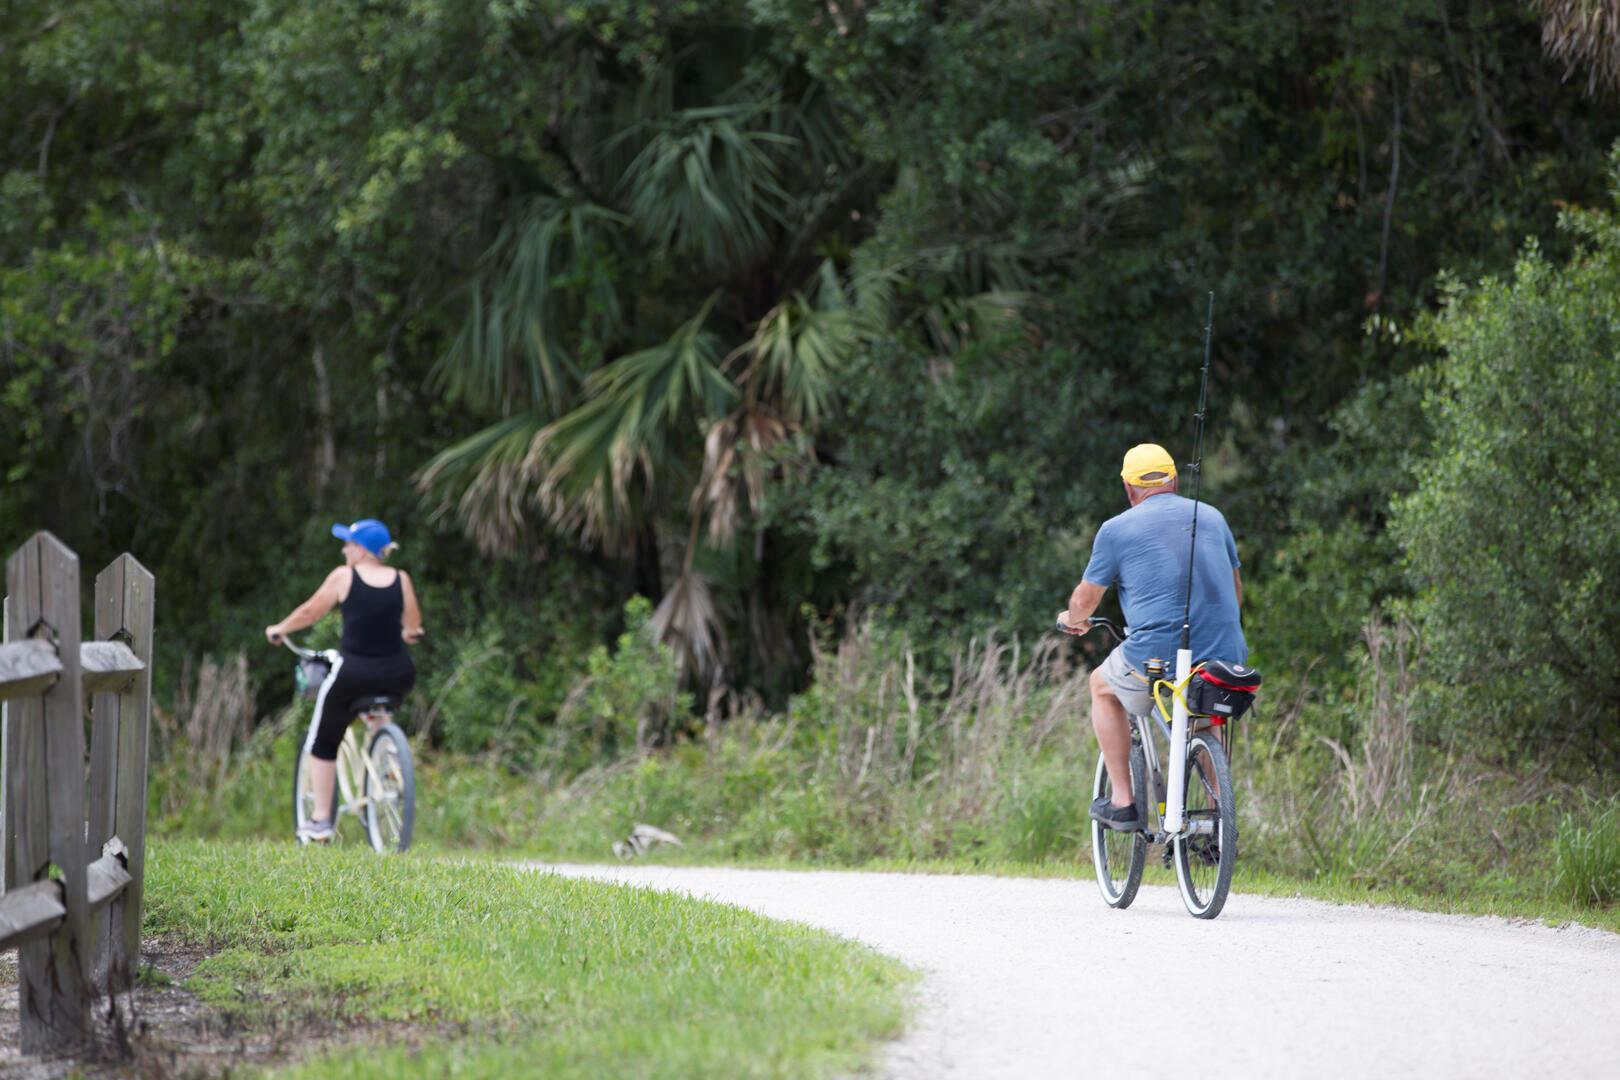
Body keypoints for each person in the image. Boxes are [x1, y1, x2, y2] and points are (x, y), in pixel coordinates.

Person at [1056, 443, 1246, 831]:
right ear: (1174, 481)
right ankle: (1215, 817)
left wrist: (1073, 619)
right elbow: (1235, 588)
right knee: (1204, 719)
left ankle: (1124, 802)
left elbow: (1086, 600)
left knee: (1101, 686)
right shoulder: (1213, 517)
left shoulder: (1115, 529)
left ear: (1129, 489)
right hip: (1226, 655)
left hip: (1155, 657)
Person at [265, 518, 424, 842]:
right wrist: (409, 633)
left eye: (348, 543)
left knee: (322, 740)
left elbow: (311, 612)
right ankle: (387, 762)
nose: (344, 549)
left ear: (362, 550)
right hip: (398, 673)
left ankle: (321, 820)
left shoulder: (344, 576)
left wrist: (280, 629)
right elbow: (412, 625)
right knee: (381, 706)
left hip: (354, 673)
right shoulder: (401, 579)